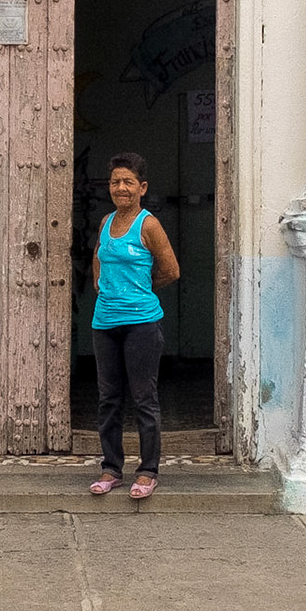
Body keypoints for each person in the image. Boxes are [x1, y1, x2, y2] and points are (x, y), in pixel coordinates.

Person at [87, 152, 180, 500]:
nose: (121, 188)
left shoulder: (148, 225)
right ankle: (111, 468)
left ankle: (147, 471)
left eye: (128, 182)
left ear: (142, 187)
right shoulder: (106, 222)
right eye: (115, 182)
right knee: (108, 399)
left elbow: (171, 270)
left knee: (144, 399)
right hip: (104, 323)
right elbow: (99, 257)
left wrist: (139, 290)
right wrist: (101, 285)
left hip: (142, 323)